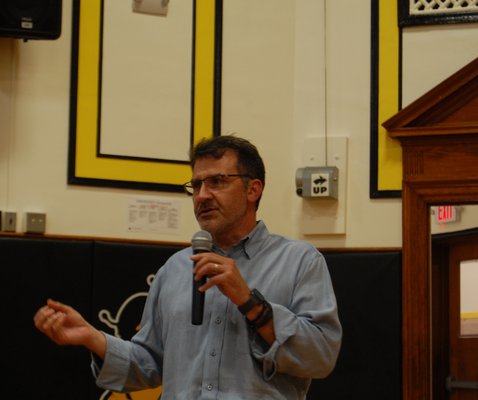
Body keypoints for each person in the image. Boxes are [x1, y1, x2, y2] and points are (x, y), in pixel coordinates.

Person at [34, 135, 342, 399]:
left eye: (217, 182)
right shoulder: (175, 269)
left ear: (253, 190)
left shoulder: (299, 261)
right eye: (196, 186)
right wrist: (92, 337)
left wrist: (250, 302)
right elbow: (148, 364)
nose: (203, 196)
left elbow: (321, 356)